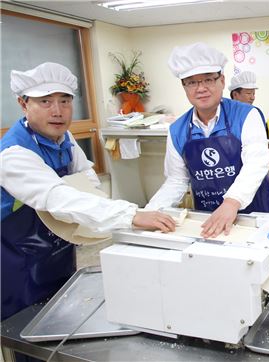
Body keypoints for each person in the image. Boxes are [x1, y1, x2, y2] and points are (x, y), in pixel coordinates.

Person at [1, 62, 176, 321]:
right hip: (16, 260)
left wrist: (123, 226)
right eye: (46, 102)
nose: (58, 111)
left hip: (57, 249)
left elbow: (89, 184)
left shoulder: (65, 139)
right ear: (24, 104)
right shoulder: (13, 154)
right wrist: (131, 215)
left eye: (64, 101)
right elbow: (57, 196)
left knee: (62, 315)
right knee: (24, 328)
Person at [146, 42, 269, 239]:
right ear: (184, 86)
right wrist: (151, 211)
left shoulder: (247, 115)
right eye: (191, 82)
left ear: (222, 80)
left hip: (253, 215)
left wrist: (232, 202)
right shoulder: (177, 130)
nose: (201, 89)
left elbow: (256, 163)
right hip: (208, 219)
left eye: (208, 79)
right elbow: (177, 179)